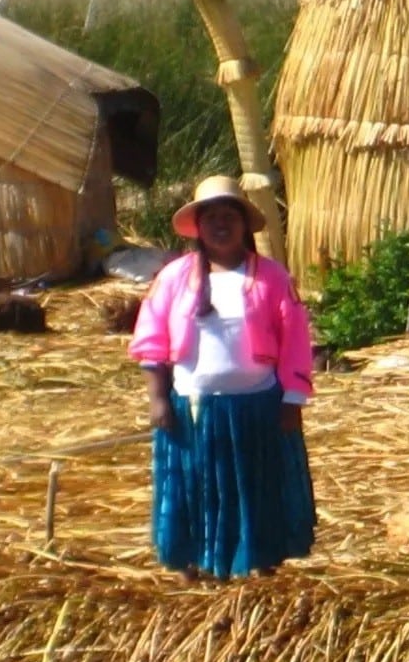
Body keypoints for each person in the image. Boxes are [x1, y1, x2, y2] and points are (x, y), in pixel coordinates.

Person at [130, 175, 315, 578]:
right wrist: (158, 398)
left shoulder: (272, 278)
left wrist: (293, 399)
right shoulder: (174, 278)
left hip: (257, 405)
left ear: (244, 224)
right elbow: (152, 337)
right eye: (210, 216)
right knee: (193, 484)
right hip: (191, 405)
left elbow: (296, 340)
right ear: (197, 226)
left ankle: (259, 560)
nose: (220, 224)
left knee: (253, 486)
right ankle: (191, 563)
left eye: (229, 215)